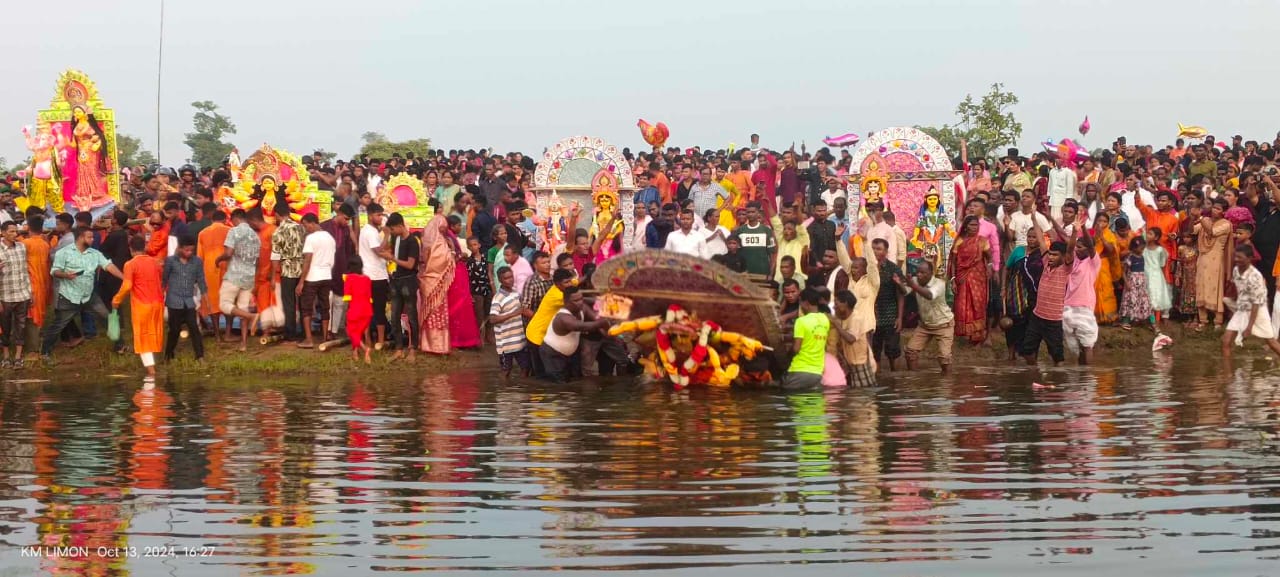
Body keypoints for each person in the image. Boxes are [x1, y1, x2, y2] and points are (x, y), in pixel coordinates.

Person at [41, 227, 124, 365]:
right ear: (80, 237)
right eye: (89, 237)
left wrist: (124, 278)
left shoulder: (95, 254)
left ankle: (120, 346)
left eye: (92, 237)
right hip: (69, 296)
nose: (93, 239)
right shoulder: (64, 253)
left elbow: (108, 266)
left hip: (89, 296)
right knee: (59, 325)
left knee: (108, 317)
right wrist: (66, 275)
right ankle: (45, 352)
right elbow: (54, 271)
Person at [1018, 226, 1074, 366]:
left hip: (1053, 319)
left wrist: (1076, 231)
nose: (1051, 257)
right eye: (1050, 254)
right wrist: (1034, 218)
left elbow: (1070, 249)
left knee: (1057, 357)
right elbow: (1042, 241)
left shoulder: (1065, 269)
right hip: (1037, 316)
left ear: (1063, 257)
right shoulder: (1045, 263)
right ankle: (1034, 372)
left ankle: (1058, 382)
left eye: (1055, 255)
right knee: (1027, 351)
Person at [112, 236, 165, 377]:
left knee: (142, 336)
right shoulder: (156, 263)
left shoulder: (130, 264)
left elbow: (127, 285)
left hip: (142, 304)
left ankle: (151, 371)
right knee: (153, 332)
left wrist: (116, 300)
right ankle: (153, 365)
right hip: (158, 302)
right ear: (145, 246)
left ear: (130, 249)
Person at [541, 285, 609, 383]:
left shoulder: (583, 307)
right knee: (558, 385)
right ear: (566, 302)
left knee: (574, 381)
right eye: (576, 301)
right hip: (553, 354)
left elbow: (595, 319)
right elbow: (583, 326)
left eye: (581, 299)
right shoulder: (563, 318)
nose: (580, 303)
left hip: (570, 354)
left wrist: (605, 329)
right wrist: (602, 323)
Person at [1224, 245, 1280, 359]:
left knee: (1271, 342)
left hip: (1259, 311)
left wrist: (1249, 327)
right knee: (1226, 342)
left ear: (1249, 258)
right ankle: (1227, 375)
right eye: (1235, 257)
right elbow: (1239, 290)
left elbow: (1256, 303)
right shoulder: (1236, 270)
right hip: (1242, 309)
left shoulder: (1255, 276)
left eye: (1240, 257)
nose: (1236, 259)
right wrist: (1231, 301)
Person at [216, 209, 260, 351]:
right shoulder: (255, 235)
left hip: (234, 275)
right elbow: (258, 260)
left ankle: (251, 316)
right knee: (242, 307)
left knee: (224, 305)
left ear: (235, 218)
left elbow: (228, 253)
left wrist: (218, 259)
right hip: (249, 276)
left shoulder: (233, 231)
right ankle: (243, 344)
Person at [1061, 214, 1100, 364]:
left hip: (1084, 305)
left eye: (1080, 247)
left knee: (1087, 344)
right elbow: (1069, 248)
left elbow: (1090, 246)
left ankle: (1087, 377)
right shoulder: (1073, 260)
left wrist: (1083, 228)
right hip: (1068, 305)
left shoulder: (1093, 262)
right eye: (1077, 246)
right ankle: (1081, 375)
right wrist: (1075, 232)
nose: (1078, 249)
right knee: (1075, 346)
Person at [162, 235, 206, 363]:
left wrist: (205, 300)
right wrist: (160, 295)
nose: (189, 253)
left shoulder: (197, 261)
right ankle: (168, 355)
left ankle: (200, 356)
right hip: (174, 300)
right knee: (174, 330)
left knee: (194, 328)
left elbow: (201, 280)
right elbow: (164, 280)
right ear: (180, 248)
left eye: (191, 250)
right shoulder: (170, 261)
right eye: (186, 250)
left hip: (189, 300)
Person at [297, 213, 336, 349]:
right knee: (325, 307)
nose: (305, 228)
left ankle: (309, 339)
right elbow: (331, 260)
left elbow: (307, 261)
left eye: (305, 225)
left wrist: (301, 281)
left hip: (312, 277)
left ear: (312, 223)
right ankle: (325, 337)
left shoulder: (311, 238)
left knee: (306, 308)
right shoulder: (330, 238)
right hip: (326, 275)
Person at [950, 215, 991, 345]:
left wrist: (989, 268)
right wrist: (953, 279)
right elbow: (953, 262)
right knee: (963, 303)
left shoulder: (982, 241)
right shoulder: (959, 241)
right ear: (966, 227)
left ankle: (977, 334)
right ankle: (964, 333)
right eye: (972, 225)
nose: (975, 227)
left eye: (976, 225)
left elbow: (988, 257)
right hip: (962, 276)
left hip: (978, 277)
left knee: (978, 303)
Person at [418, 214, 454, 355]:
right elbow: (440, 262)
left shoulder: (435, 242)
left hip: (434, 282)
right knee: (432, 313)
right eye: (442, 227)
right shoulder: (437, 243)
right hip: (433, 281)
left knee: (435, 313)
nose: (444, 230)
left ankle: (436, 345)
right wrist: (451, 254)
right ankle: (433, 345)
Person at [443, 215, 480, 349]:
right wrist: (460, 256)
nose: (460, 227)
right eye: (458, 225)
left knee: (461, 305)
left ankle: (464, 339)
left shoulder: (450, 236)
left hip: (459, 274)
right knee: (458, 306)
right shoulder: (448, 238)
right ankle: (458, 340)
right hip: (456, 274)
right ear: (452, 226)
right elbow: (450, 257)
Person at [1195, 198, 1231, 330]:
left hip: (1216, 260)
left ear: (1224, 212)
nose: (1214, 210)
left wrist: (1199, 217)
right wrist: (1192, 215)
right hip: (1203, 258)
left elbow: (1211, 232)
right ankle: (1203, 320)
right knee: (1202, 286)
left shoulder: (1226, 224)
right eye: (1213, 207)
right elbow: (1192, 230)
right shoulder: (1206, 220)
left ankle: (1218, 320)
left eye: (1218, 208)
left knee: (1216, 287)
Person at [270, 208, 305, 341]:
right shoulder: (301, 228)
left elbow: (275, 256)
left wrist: (273, 277)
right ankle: (304, 330)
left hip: (288, 270)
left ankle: (291, 333)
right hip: (302, 270)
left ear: (278, 215)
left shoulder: (278, 231)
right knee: (302, 302)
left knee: (289, 302)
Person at [783, 287, 828, 389]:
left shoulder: (801, 321)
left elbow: (796, 348)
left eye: (801, 303)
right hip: (817, 372)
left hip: (800, 370)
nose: (800, 306)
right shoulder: (825, 320)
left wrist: (787, 357)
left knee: (790, 400)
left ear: (806, 303)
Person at [0, 221, 31, 369]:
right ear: (3, 232)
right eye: (11, 231)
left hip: (22, 293)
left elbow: (25, 271)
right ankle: (6, 355)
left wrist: (29, 292)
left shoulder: (21, 247)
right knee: (5, 326)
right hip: (5, 296)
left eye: (15, 231)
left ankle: (18, 357)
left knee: (21, 325)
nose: (15, 234)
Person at [196, 204, 230, 340]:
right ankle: (228, 332)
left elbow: (199, 257)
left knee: (212, 302)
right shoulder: (230, 230)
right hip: (227, 268)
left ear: (212, 220)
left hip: (209, 270)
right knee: (228, 300)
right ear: (225, 220)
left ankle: (217, 334)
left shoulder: (203, 233)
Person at [358, 203, 390, 348]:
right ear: (370, 215)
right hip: (376, 275)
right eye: (378, 215)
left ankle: (370, 339)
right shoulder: (370, 231)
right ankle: (380, 340)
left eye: (381, 215)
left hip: (368, 274)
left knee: (368, 308)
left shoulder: (368, 230)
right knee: (379, 308)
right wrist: (387, 235)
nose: (380, 218)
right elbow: (378, 251)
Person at [489, 266, 528, 378]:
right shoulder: (498, 298)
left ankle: (522, 392)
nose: (510, 280)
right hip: (506, 343)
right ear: (500, 280)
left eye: (511, 277)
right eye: (506, 278)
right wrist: (513, 313)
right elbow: (492, 319)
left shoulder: (515, 292)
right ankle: (503, 393)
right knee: (506, 370)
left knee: (525, 368)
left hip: (519, 340)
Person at [832, 289, 875, 387]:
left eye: (836, 303)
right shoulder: (842, 318)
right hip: (850, 363)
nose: (834, 307)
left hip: (860, 363)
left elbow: (851, 339)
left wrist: (836, 324)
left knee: (863, 394)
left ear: (845, 303)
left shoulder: (856, 318)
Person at [22, 215, 51, 341]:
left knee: (32, 312)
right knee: (40, 309)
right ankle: (38, 335)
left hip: (31, 281)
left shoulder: (24, 243)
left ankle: (33, 343)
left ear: (28, 227)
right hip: (44, 281)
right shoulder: (45, 244)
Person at [342, 257, 374, 364]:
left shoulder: (349, 278)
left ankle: (365, 349)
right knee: (358, 331)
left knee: (351, 331)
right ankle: (355, 352)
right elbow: (370, 297)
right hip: (367, 310)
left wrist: (347, 311)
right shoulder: (367, 279)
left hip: (355, 309)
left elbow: (347, 298)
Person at [732, 201, 775, 277]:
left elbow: (772, 254)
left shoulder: (766, 231)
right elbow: (735, 254)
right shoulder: (740, 231)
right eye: (748, 212)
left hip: (763, 273)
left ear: (758, 213)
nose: (750, 214)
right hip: (744, 274)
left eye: (753, 212)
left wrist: (771, 273)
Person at [1092, 213, 1121, 324]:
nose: (1101, 223)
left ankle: (1109, 317)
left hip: (1103, 266)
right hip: (1091, 265)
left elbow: (1111, 250)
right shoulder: (1090, 232)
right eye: (1099, 221)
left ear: (1108, 223)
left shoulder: (1109, 234)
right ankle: (1094, 316)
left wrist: (1102, 237)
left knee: (1105, 288)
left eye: (1104, 221)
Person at [1120, 236, 1153, 330]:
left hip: (1141, 283)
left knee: (1143, 301)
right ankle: (1125, 321)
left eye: (1143, 248)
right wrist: (1127, 283)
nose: (1143, 250)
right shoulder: (1130, 258)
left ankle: (1143, 319)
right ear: (1134, 248)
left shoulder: (1142, 257)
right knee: (1130, 300)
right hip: (1132, 283)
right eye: (1141, 248)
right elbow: (1123, 272)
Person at [1145, 228, 1173, 325]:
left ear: (1156, 237)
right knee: (1147, 296)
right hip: (1145, 275)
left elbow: (1162, 264)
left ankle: (1157, 320)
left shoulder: (1160, 250)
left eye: (1150, 233)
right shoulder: (1142, 248)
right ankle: (1148, 318)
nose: (1147, 235)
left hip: (1156, 276)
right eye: (1147, 233)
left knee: (1156, 296)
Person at [467, 236, 493, 341]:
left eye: (475, 244)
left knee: (489, 311)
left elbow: (490, 272)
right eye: (471, 245)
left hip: (487, 288)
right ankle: (479, 338)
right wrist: (469, 293)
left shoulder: (485, 258)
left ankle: (488, 335)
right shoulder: (469, 262)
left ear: (479, 245)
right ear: (468, 247)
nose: (473, 247)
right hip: (476, 290)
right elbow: (468, 278)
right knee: (479, 313)